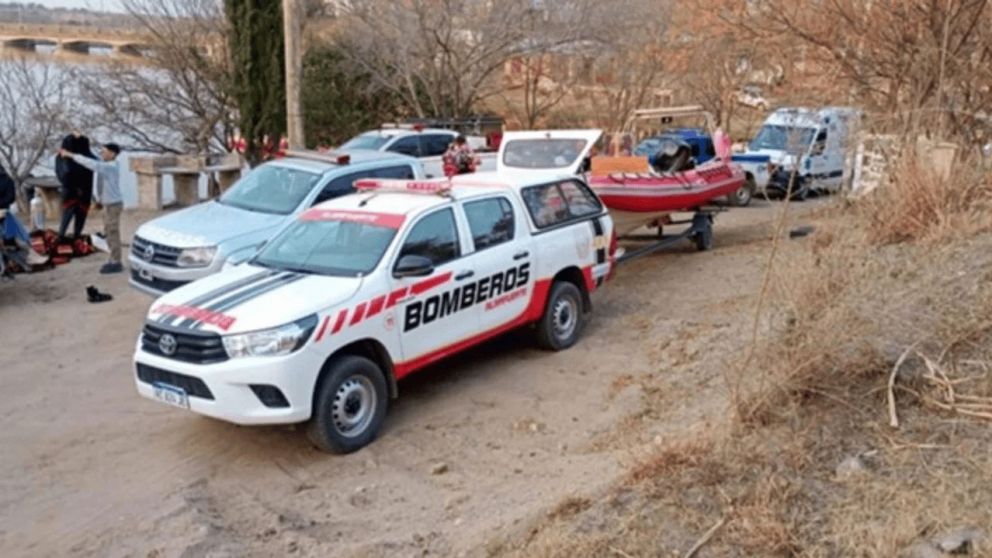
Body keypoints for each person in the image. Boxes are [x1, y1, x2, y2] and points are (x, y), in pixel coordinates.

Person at [60, 142, 123, 274]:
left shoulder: (110, 167)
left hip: (113, 205)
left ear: (113, 154)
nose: (101, 153)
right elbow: (100, 182)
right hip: (107, 203)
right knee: (108, 231)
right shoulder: (107, 166)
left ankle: (116, 262)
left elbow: (91, 163)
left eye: (104, 151)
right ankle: (113, 259)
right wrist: (100, 200)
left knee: (112, 232)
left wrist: (70, 155)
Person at [55, 133, 97, 240]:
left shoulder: (62, 156)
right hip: (81, 189)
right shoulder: (87, 156)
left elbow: (63, 174)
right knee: (77, 214)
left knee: (70, 214)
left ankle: (62, 234)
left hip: (71, 190)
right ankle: (73, 235)